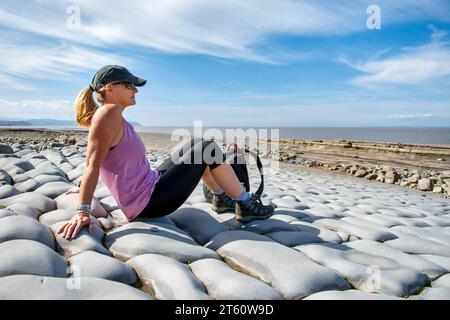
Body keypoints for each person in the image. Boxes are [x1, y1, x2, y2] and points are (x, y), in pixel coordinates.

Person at [57, 65, 274, 240]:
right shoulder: (108, 113)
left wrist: (80, 188)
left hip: (151, 185)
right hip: (150, 202)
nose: (136, 90)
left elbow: (105, 160)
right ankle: (246, 205)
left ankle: (221, 198)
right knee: (208, 148)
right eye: (130, 85)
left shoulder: (113, 116)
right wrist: (82, 210)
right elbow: (92, 163)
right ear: (111, 88)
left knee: (197, 144)